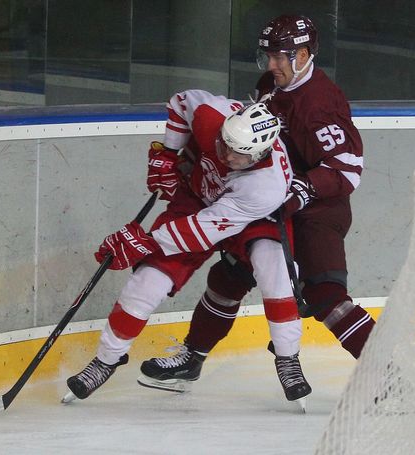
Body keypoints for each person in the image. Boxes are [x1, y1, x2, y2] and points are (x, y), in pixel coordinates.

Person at [139, 14, 376, 389]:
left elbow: (346, 170)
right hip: (270, 199)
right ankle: (192, 358)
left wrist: (299, 193)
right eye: (269, 55)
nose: (272, 64)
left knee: (326, 294)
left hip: (317, 208)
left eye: (281, 56)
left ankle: (389, 376)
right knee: (230, 273)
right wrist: (191, 156)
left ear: (303, 55)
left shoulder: (320, 103)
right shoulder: (271, 83)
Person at [65, 89, 312, 406]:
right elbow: (181, 102)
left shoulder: (264, 187)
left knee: (274, 268)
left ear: (260, 155)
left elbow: (201, 230)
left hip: (253, 216)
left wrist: (145, 242)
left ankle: (287, 358)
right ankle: (105, 360)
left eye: (238, 156)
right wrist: (168, 155)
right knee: (146, 283)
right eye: (225, 144)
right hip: (197, 197)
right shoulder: (214, 116)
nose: (226, 156)